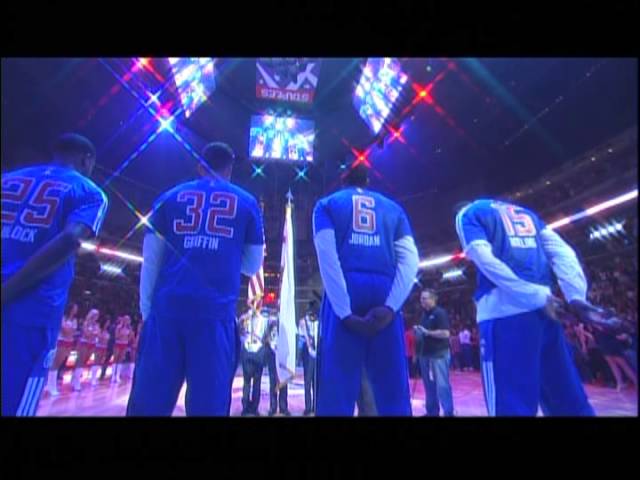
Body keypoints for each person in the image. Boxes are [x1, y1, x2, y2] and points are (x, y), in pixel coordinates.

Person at [127, 142, 264, 416]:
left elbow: (151, 260)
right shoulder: (247, 202)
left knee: (148, 405)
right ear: (230, 168)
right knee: (209, 407)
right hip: (214, 317)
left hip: (167, 313)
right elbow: (251, 266)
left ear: (200, 165)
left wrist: (147, 312)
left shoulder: (168, 197)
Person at [454, 198, 594, 416]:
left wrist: (533, 294)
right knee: (568, 400)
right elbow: (563, 252)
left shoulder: (468, 213)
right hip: (547, 314)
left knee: (510, 406)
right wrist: (576, 296)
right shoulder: (528, 214)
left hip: (505, 315)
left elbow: (482, 257)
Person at [1, 133, 108, 416]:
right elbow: (70, 239)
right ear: (87, 160)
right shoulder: (89, 191)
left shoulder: (8, 179)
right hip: (30, 311)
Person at [312, 164, 419, 416]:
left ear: (343, 180)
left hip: (346, 287)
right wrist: (391, 307)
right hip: (385, 290)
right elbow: (410, 260)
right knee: (392, 385)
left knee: (336, 386)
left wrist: (345, 312)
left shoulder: (326, 205)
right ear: (368, 180)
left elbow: (327, 258)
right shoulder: (394, 209)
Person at [414, 289, 454, 417]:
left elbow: (446, 333)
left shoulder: (439, 313)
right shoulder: (423, 315)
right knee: (428, 385)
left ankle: (448, 412)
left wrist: (427, 332)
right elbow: (423, 334)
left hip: (438, 355)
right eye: (421, 299)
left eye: (425, 298)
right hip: (425, 355)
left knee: (442, 385)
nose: (422, 301)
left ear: (433, 299)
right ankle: (432, 412)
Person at [45, 303, 79, 396]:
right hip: (61, 341)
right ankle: (51, 386)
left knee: (59, 363)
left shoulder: (75, 320)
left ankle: (51, 385)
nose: (76, 310)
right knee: (55, 363)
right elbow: (64, 330)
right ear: (70, 309)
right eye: (75, 308)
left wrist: (69, 330)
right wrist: (69, 330)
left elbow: (73, 331)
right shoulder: (63, 317)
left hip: (69, 342)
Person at [238, 307, 267, 416]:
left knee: (256, 383)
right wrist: (247, 316)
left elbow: (267, 334)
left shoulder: (263, 320)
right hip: (248, 352)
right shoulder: (247, 318)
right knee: (247, 382)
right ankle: (246, 407)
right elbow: (239, 325)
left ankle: (253, 408)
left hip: (258, 352)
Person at [264, 317, 290, 416]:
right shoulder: (268, 329)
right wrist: (269, 342)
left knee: (283, 383)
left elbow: (287, 344)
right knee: (273, 383)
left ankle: (283, 407)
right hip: (272, 359)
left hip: (282, 359)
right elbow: (265, 341)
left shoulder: (283, 329)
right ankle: (273, 407)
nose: (274, 320)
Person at [71, 308, 100, 391]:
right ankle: (76, 382)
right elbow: (86, 333)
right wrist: (93, 334)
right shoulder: (86, 323)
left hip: (92, 344)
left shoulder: (96, 325)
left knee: (84, 362)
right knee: (80, 361)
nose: (96, 317)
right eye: (94, 315)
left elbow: (98, 333)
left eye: (97, 315)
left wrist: (93, 334)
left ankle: (75, 379)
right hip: (84, 343)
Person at [298, 303, 319, 415]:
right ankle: (308, 407)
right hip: (308, 355)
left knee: (316, 383)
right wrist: (307, 338)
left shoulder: (319, 322)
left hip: (318, 354)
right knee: (307, 382)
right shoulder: (303, 322)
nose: (312, 316)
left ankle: (316, 406)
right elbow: (302, 339)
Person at [111, 314, 133, 385]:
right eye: (126, 319)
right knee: (115, 359)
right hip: (118, 344)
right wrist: (122, 334)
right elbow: (116, 336)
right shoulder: (119, 327)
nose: (127, 321)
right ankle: (113, 376)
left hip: (124, 344)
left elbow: (130, 338)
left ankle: (117, 376)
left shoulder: (129, 328)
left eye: (128, 320)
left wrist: (127, 337)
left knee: (120, 360)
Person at [91, 317, 111, 387]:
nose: (108, 324)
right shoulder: (99, 329)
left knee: (99, 363)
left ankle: (95, 377)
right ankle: (92, 378)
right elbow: (98, 337)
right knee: (96, 362)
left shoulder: (107, 331)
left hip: (104, 348)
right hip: (99, 347)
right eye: (107, 322)